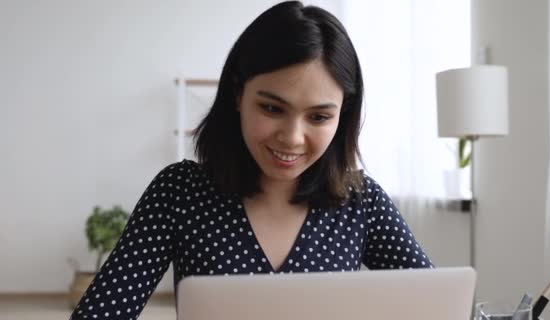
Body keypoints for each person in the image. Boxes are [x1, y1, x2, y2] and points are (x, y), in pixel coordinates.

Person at [70, 1, 433, 319]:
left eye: (319, 117)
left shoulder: (361, 201)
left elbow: (439, 306)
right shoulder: (179, 193)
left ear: (342, 117)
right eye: (272, 108)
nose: (292, 137)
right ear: (237, 95)